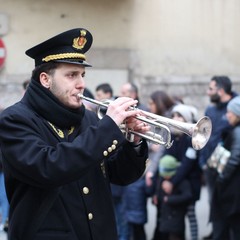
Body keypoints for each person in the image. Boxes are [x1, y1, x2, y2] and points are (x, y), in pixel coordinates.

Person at [0, 28, 150, 240]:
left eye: (82, 75)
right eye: (71, 75)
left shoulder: (88, 120)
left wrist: (133, 140)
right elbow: (49, 167)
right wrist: (108, 128)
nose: (81, 84)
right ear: (45, 79)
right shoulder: (15, 120)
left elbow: (121, 176)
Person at [198, 76, 238, 240]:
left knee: (230, 208)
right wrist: (203, 162)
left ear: (220, 90)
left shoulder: (235, 107)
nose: (208, 92)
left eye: (211, 89)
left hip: (228, 171)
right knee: (215, 205)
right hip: (211, 166)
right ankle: (217, 232)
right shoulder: (210, 110)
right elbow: (203, 136)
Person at [160, 104, 202, 240]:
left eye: (179, 116)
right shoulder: (172, 137)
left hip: (188, 183)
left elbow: (186, 165)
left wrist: (172, 181)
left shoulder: (192, 140)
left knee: (190, 214)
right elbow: (166, 160)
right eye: (173, 116)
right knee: (176, 218)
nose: (175, 119)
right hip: (175, 183)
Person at [210, 96, 240, 240]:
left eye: (230, 112)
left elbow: (234, 159)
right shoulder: (234, 130)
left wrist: (221, 179)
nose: (227, 115)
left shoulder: (238, 132)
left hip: (232, 190)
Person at [158, 154, 192, 240]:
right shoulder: (163, 180)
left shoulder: (182, 182)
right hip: (166, 219)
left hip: (176, 220)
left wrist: (169, 199)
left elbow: (187, 196)